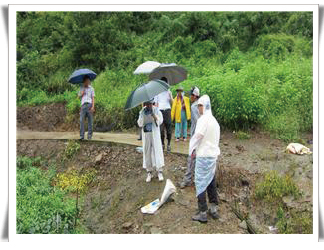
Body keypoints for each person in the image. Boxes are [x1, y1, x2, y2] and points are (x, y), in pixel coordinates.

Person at [189, 95, 220, 223]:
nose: (199, 108)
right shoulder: (214, 121)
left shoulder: (203, 120)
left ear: (205, 106)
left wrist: (191, 149)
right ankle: (213, 208)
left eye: (200, 105)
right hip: (212, 156)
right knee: (210, 180)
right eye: (198, 106)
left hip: (203, 156)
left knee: (200, 183)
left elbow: (198, 136)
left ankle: (202, 212)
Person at [137, 99, 164, 183]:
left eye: (150, 104)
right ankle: (149, 172)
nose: (148, 105)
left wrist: (154, 116)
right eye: (147, 104)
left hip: (155, 134)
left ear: (152, 103)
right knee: (147, 152)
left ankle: (159, 171)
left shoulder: (156, 110)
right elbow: (139, 123)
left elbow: (160, 121)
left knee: (157, 150)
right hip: (146, 134)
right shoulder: (142, 111)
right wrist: (143, 118)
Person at [180, 86, 200, 188]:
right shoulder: (202, 105)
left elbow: (197, 122)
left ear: (194, 96)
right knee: (198, 158)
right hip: (202, 137)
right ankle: (197, 180)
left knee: (191, 158)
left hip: (196, 137)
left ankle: (187, 180)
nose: (189, 97)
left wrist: (195, 138)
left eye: (190, 95)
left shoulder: (194, 107)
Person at [154, 77, 173, 152]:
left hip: (167, 110)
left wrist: (170, 96)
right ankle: (162, 144)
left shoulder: (168, 91)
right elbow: (155, 103)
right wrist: (155, 113)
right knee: (161, 129)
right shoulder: (157, 92)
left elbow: (172, 102)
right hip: (160, 111)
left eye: (166, 83)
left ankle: (168, 144)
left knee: (169, 128)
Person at [78, 75, 95, 140]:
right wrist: (82, 93)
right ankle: (82, 136)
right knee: (81, 120)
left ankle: (89, 136)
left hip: (90, 105)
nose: (88, 82)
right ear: (84, 81)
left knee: (90, 121)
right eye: (87, 81)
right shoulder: (81, 88)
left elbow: (93, 98)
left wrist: (93, 107)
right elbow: (78, 97)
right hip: (83, 106)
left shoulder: (92, 88)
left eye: (89, 81)